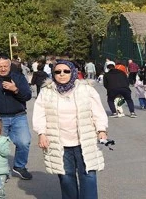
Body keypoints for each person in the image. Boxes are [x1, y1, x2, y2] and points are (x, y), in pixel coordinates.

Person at [32, 60, 108, 199]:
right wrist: (41, 133)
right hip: (59, 141)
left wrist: (101, 129)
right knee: (66, 177)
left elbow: (98, 112)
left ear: (73, 72)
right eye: (58, 71)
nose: (62, 74)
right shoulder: (46, 92)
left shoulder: (86, 89)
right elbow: (39, 114)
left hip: (85, 140)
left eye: (66, 71)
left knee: (88, 175)